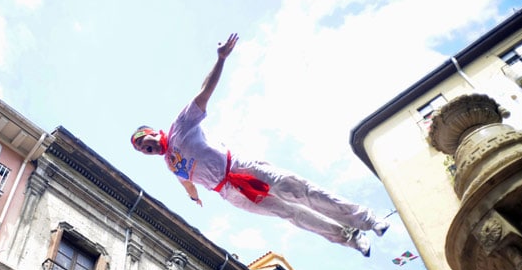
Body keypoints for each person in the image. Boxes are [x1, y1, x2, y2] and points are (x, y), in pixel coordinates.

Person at [132, 33, 389, 257]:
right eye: (142, 150)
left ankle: (367, 219)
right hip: (231, 192)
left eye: (145, 142)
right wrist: (193, 196)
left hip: (240, 167)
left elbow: (204, 92)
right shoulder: (170, 163)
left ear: (154, 132)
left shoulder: (180, 124)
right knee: (290, 213)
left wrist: (221, 59)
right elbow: (185, 180)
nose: (146, 148)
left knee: (297, 190)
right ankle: (350, 237)